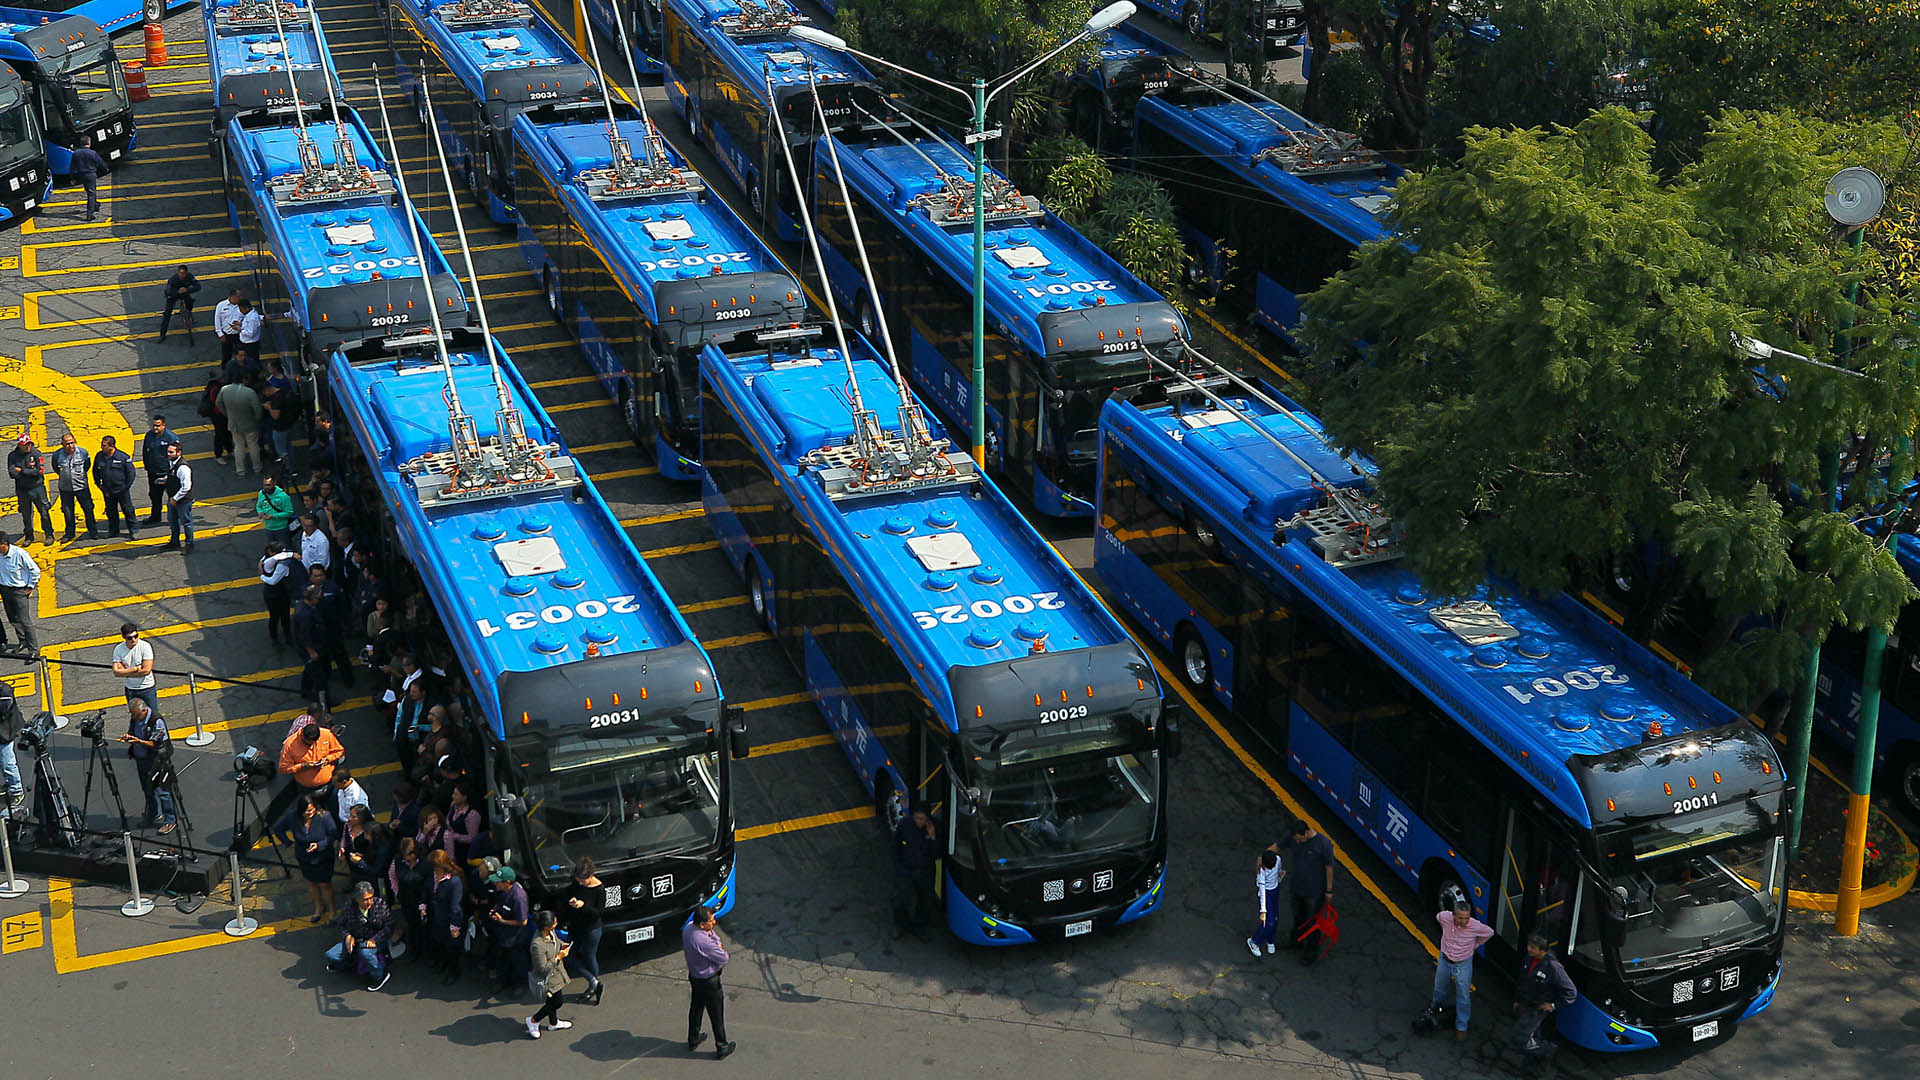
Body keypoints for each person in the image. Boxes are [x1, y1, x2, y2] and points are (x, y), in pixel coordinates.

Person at [1269, 818, 1335, 965]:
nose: (1297, 842)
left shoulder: (1323, 844)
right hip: (1297, 888)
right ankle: (1296, 941)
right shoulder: (1294, 837)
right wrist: (1265, 856)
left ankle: (1311, 952)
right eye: (1295, 840)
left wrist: (1329, 890)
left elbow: (1329, 867)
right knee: (1298, 917)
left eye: (1299, 840)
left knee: (1313, 923)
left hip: (1315, 893)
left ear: (1306, 833)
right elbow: (1277, 846)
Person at [1508, 933, 1577, 1070]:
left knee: (1518, 1038)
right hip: (1524, 1004)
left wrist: (1553, 1005)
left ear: (1543, 950)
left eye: (1533, 947)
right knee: (1532, 1035)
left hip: (1536, 1008)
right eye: (1529, 946)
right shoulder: (1529, 958)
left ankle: (1547, 1050)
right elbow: (1522, 981)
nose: (1529, 949)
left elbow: (1571, 992)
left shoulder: (1553, 967)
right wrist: (1517, 1000)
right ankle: (1535, 1062)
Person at [1429, 899, 1495, 1041]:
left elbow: (1489, 933)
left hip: (1463, 964)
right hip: (1445, 960)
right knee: (1439, 988)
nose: (1464, 922)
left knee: (1463, 996)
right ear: (1453, 915)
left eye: (1467, 918)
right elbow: (1438, 917)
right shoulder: (1445, 917)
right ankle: (1435, 1012)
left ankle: (1461, 1026)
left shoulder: (1476, 926)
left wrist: (1475, 945)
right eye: (1461, 918)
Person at [276, 793, 340, 923]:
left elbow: (333, 835)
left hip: (323, 857)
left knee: (325, 884)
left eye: (311, 810)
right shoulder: (292, 817)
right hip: (304, 857)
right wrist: (289, 843)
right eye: (306, 811)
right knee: (312, 882)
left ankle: (332, 910)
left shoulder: (324, 817)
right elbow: (278, 829)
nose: (309, 813)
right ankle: (318, 907)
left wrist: (320, 845)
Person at [683, 905, 735, 1059]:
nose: (714, 922)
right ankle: (722, 1046)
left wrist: (711, 934)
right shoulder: (704, 942)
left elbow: (711, 935)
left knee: (696, 1008)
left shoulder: (688, 929)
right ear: (701, 924)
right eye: (711, 921)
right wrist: (717, 943)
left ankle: (693, 1038)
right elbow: (724, 958)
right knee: (716, 1015)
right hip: (709, 982)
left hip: (695, 977)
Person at [117, 697, 176, 834]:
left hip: (156, 760)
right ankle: (153, 814)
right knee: (147, 789)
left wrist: (139, 741)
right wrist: (129, 737)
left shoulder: (156, 721)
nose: (134, 717)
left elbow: (156, 743)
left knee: (162, 791)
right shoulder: (135, 718)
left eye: (136, 714)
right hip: (141, 759)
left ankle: (170, 820)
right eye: (132, 714)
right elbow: (133, 731)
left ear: (144, 710)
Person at [326, 880, 393, 991]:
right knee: (331, 955)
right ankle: (350, 962)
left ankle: (380, 975)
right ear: (357, 899)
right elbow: (340, 924)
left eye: (371, 898)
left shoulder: (380, 904)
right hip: (356, 940)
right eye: (365, 899)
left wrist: (374, 940)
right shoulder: (349, 907)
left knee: (365, 953)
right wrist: (347, 936)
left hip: (375, 941)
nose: (370, 902)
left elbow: (389, 926)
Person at [561, 858, 606, 1005]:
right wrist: (572, 901)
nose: (580, 883)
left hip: (591, 929)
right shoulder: (577, 883)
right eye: (578, 880)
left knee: (589, 957)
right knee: (566, 954)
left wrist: (583, 906)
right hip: (575, 926)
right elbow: (569, 892)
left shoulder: (599, 889)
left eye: (583, 880)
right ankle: (594, 981)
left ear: (591, 875)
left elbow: (598, 913)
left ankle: (593, 986)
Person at [524, 910, 574, 1039]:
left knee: (552, 1000)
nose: (557, 922)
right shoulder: (537, 945)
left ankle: (553, 1023)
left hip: (557, 974)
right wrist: (559, 957)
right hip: (548, 979)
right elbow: (542, 968)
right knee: (557, 1002)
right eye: (554, 922)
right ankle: (534, 1020)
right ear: (546, 926)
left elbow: (557, 942)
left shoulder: (550, 933)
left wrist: (563, 946)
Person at [486, 864, 532, 998]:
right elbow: (499, 903)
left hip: (516, 937)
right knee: (503, 959)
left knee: (518, 961)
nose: (495, 884)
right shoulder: (502, 891)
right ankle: (503, 980)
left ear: (507, 883)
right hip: (503, 935)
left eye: (498, 882)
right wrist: (494, 910)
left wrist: (502, 921)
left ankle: (520, 984)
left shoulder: (518, 897)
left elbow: (523, 921)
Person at [891, 802, 936, 939]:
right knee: (902, 899)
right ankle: (900, 925)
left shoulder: (935, 828)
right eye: (916, 817)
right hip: (906, 869)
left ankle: (919, 927)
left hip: (925, 871)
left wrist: (933, 837)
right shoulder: (905, 824)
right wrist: (898, 866)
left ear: (927, 818)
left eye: (921, 819)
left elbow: (937, 854)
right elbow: (895, 845)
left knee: (925, 901)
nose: (918, 821)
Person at [0, 532, 42, 659]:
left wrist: (30, 586)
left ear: (4, 544)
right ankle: (22, 640)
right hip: (5, 589)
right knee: (13, 618)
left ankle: (34, 649)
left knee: (25, 621)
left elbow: (35, 570)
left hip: (18, 590)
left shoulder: (20, 554)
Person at [426, 848, 464, 984]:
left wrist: (455, 926)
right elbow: (427, 891)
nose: (434, 871)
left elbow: (455, 906)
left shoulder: (454, 882)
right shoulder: (434, 877)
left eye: (436, 868)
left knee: (452, 948)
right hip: (437, 918)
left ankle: (454, 972)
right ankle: (443, 964)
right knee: (440, 944)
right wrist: (423, 905)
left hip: (449, 920)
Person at [50, 432, 97, 542]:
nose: (70, 446)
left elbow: (87, 466)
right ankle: (70, 533)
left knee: (88, 509)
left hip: (81, 487)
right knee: (68, 512)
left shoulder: (82, 452)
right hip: (65, 489)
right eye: (67, 444)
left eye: (72, 443)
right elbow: (56, 468)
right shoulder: (57, 455)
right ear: (62, 444)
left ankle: (93, 531)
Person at [278, 717, 345, 793]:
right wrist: (303, 766)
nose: (312, 746)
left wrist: (327, 759)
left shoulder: (327, 734)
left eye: (315, 742)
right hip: (307, 789)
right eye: (308, 743)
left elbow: (339, 751)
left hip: (330, 783)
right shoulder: (289, 745)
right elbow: (283, 768)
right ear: (303, 736)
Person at [217, 374, 265, 477]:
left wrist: (227, 414)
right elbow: (257, 409)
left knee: (238, 447)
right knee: (253, 446)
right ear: (243, 380)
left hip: (234, 424)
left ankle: (240, 470)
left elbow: (218, 403)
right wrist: (256, 419)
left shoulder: (224, 390)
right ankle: (257, 468)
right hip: (250, 424)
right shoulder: (250, 392)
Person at [388, 835, 428, 959]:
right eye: (405, 854)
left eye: (411, 854)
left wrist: (424, 903)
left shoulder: (425, 863)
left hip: (422, 900)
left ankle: (427, 951)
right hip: (406, 899)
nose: (408, 857)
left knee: (425, 926)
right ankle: (414, 951)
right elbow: (392, 876)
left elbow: (428, 884)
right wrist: (397, 893)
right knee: (412, 925)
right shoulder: (397, 862)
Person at [92, 436, 137, 540]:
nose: (101, 447)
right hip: (108, 491)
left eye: (104, 445)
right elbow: (95, 471)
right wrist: (99, 485)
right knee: (111, 511)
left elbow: (131, 473)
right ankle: (113, 531)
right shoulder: (99, 456)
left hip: (122, 490)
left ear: (111, 446)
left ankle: (133, 530)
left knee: (128, 510)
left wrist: (126, 487)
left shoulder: (122, 457)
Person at [8, 436, 52, 543]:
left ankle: (49, 534)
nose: (28, 446)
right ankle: (29, 535)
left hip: (37, 488)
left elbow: (39, 471)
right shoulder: (12, 456)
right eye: (25, 445)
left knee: (44, 512)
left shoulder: (36, 453)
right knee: (26, 514)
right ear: (19, 445)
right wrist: (29, 473)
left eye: (29, 443)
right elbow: (12, 473)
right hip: (22, 490)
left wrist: (22, 471)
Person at [341, 804, 390, 896]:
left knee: (380, 898)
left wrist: (360, 862)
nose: (364, 836)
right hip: (365, 874)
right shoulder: (374, 845)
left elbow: (376, 870)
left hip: (378, 882)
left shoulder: (382, 850)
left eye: (367, 834)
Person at [138, 417, 179, 525]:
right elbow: (145, 451)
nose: (155, 428)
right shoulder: (149, 435)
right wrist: (147, 466)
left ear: (163, 425)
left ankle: (176, 517)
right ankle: (155, 516)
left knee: (172, 496)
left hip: (167, 473)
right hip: (153, 472)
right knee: (154, 495)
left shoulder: (171, 438)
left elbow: (176, 456)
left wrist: (171, 472)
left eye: (158, 425)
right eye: (154, 425)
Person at [111, 622, 158, 714]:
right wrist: (136, 669)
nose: (133, 640)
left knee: (153, 715)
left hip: (147, 688)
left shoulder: (145, 646)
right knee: (135, 716)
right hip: (131, 689)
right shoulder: (118, 649)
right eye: (130, 638)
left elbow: (146, 670)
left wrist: (125, 672)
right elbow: (116, 672)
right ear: (124, 637)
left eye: (136, 636)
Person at [294, 585, 330, 701]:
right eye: (318, 598)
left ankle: (306, 690)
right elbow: (305, 636)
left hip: (311, 645)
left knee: (309, 670)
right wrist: (312, 652)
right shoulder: (305, 615)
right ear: (312, 599)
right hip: (311, 648)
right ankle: (324, 700)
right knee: (320, 677)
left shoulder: (303, 606)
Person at [260, 541, 298, 648]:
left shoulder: (265, 560)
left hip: (277, 593)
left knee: (282, 616)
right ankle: (279, 638)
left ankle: (283, 637)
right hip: (276, 594)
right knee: (277, 617)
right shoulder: (278, 564)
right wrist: (262, 577)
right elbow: (273, 581)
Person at [1247, 849, 1283, 958]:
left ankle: (1270, 939)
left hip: (1274, 890)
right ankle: (1254, 941)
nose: (1271, 869)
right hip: (1267, 894)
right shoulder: (1261, 871)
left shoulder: (1277, 859)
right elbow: (1262, 891)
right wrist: (1263, 910)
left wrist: (1280, 873)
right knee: (1268, 922)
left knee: (1275, 918)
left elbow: (1279, 869)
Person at [264, 378, 301, 479]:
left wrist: (269, 407)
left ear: (267, 390)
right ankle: (293, 469)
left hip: (280, 428)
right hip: (288, 425)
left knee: (282, 450)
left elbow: (275, 416)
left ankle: (288, 469)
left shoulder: (276, 399)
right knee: (289, 448)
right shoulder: (284, 392)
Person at [162, 442, 194, 553]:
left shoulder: (183, 467)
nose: (168, 454)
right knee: (172, 520)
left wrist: (175, 499)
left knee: (186, 522)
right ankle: (175, 541)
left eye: (171, 452)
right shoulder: (172, 463)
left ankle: (189, 544)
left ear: (179, 453)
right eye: (168, 451)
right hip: (173, 499)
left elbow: (186, 487)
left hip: (183, 501)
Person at [68, 135, 107, 222]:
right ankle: (90, 214)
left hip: (81, 175)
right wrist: (105, 170)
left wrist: (72, 178)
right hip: (91, 174)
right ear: (89, 143)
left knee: (90, 190)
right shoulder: (93, 153)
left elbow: (72, 167)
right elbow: (101, 163)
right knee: (91, 193)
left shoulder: (76, 153)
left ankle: (95, 205)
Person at [157, 265, 200, 343]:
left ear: (186, 273)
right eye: (180, 273)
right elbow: (167, 291)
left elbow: (198, 286)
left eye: (184, 273)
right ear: (178, 273)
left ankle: (189, 312)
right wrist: (177, 292)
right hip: (174, 295)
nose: (182, 275)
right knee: (167, 314)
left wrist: (187, 289)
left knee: (189, 302)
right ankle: (162, 334)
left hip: (185, 292)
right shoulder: (173, 279)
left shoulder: (190, 276)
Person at [0, 685, 23, 811]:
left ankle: (16, 790)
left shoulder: (4, 692)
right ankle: (10, 784)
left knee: (7, 762)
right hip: (3, 732)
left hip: (5, 733)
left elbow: (3, 710)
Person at [213, 288, 244, 367]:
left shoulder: (242, 305)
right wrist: (220, 334)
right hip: (227, 335)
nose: (241, 298)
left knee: (243, 353)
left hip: (241, 335)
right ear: (232, 297)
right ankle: (226, 371)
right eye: (239, 296)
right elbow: (217, 319)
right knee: (226, 355)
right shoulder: (221, 305)